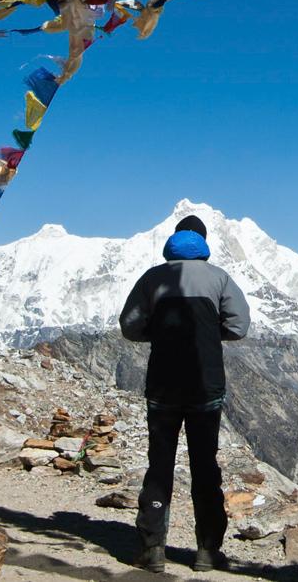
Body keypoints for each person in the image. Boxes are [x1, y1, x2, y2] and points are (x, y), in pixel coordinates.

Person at [119, 214, 251, 573]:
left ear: (174, 241)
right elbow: (239, 327)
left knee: (160, 463)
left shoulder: (152, 278)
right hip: (205, 385)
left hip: (162, 384)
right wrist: (207, 333)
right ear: (205, 243)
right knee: (205, 465)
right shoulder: (220, 278)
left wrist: (160, 333)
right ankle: (207, 550)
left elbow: (129, 326)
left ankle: (152, 548)